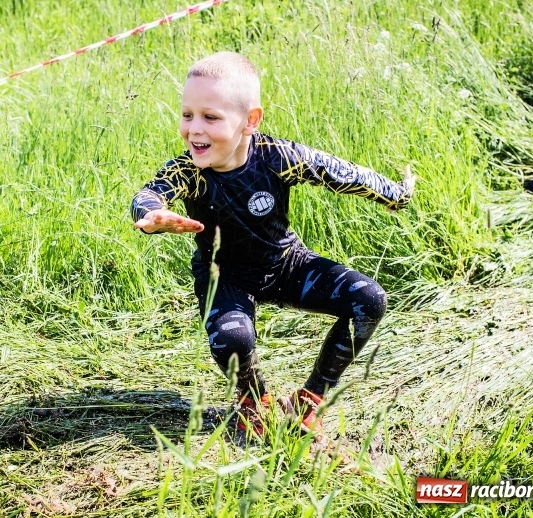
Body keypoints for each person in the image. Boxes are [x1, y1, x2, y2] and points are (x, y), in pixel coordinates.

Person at [130, 51, 415, 441]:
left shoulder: (277, 157)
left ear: (250, 121)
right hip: (225, 275)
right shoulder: (188, 171)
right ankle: (254, 399)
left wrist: (394, 194)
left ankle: (310, 399)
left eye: (210, 117)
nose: (194, 129)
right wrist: (152, 216)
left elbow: (339, 172)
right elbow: (150, 194)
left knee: (369, 299)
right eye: (187, 115)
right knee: (234, 340)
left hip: (286, 264)